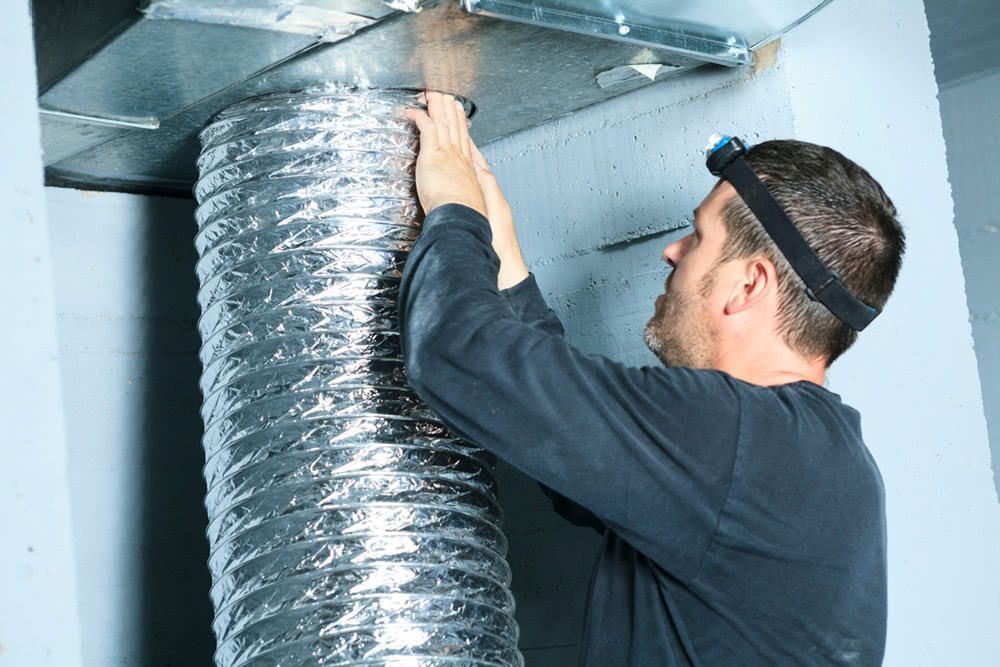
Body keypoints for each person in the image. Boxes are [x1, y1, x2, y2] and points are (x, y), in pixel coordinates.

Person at [399, 91, 905, 666]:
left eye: (699, 237)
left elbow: (456, 354)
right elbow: (577, 471)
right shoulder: (804, 454)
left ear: (749, 285)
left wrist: (453, 209)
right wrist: (505, 255)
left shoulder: (738, 435)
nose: (672, 252)